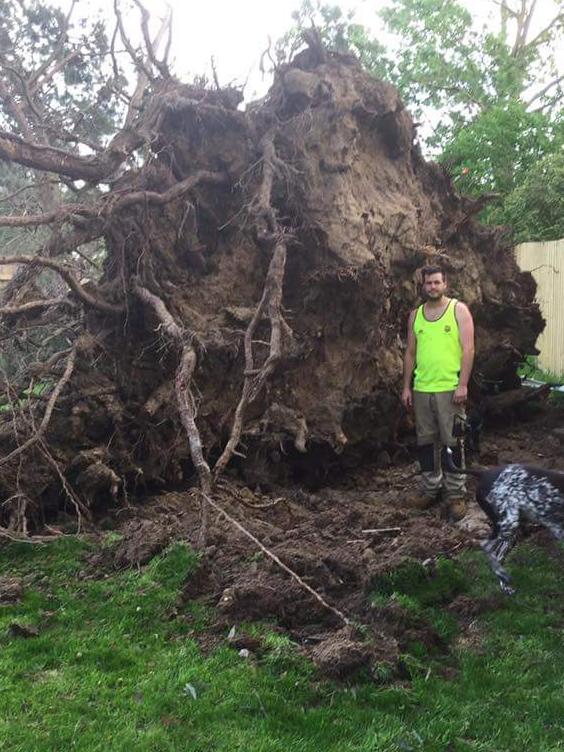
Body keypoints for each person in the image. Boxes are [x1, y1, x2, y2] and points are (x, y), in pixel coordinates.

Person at [401, 265, 475, 520]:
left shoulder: (458, 311)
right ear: (422, 286)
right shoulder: (416, 315)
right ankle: (430, 489)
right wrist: (406, 386)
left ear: (445, 283)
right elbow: (410, 353)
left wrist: (463, 384)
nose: (432, 287)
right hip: (422, 389)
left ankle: (456, 495)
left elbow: (469, 349)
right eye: (428, 283)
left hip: (450, 390)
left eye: (436, 282)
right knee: (426, 442)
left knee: (453, 442)